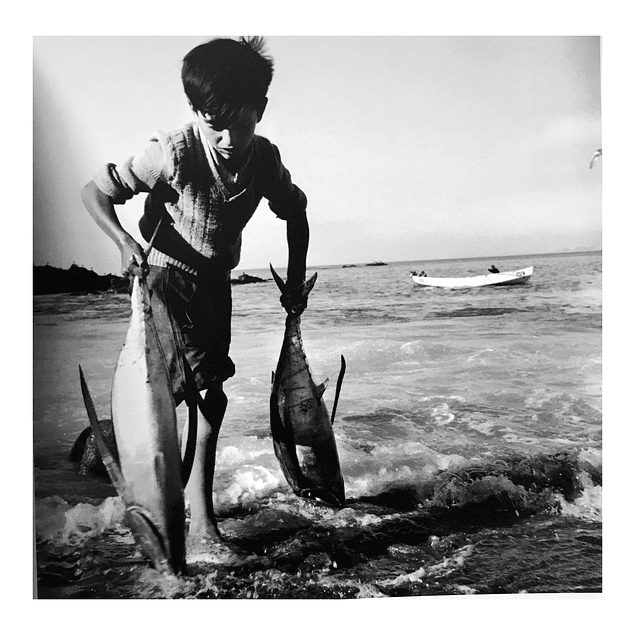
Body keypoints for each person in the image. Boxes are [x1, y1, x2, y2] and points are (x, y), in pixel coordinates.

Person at [81, 37, 310, 553]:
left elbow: (297, 213)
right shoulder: (170, 151)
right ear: (195, 111)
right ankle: (197, 521)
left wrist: (295, 283)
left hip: (214, 285)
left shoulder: (266, 161)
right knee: (189, 395)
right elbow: (94, 191)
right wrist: (123, 242)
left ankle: (113, 465)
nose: (228, 136)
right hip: (161, 277)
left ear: (263, 109)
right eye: (214, 122)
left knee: (199, 395)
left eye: (242, 122)